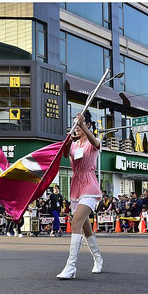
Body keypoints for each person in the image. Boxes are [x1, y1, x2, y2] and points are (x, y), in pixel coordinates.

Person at [57, 112, 103, 280]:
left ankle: (71, 266)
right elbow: (64, 154)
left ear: (88, 125)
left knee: (75, 223)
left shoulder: (92, 141)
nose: (76, 128)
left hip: (90, 186)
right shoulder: (75, 145)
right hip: (76, 186)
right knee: (86, 229)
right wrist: (68, 140)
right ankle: (98, 258)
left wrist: (82, 124)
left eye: (80, 125)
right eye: (75, 125)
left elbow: (95, 142)